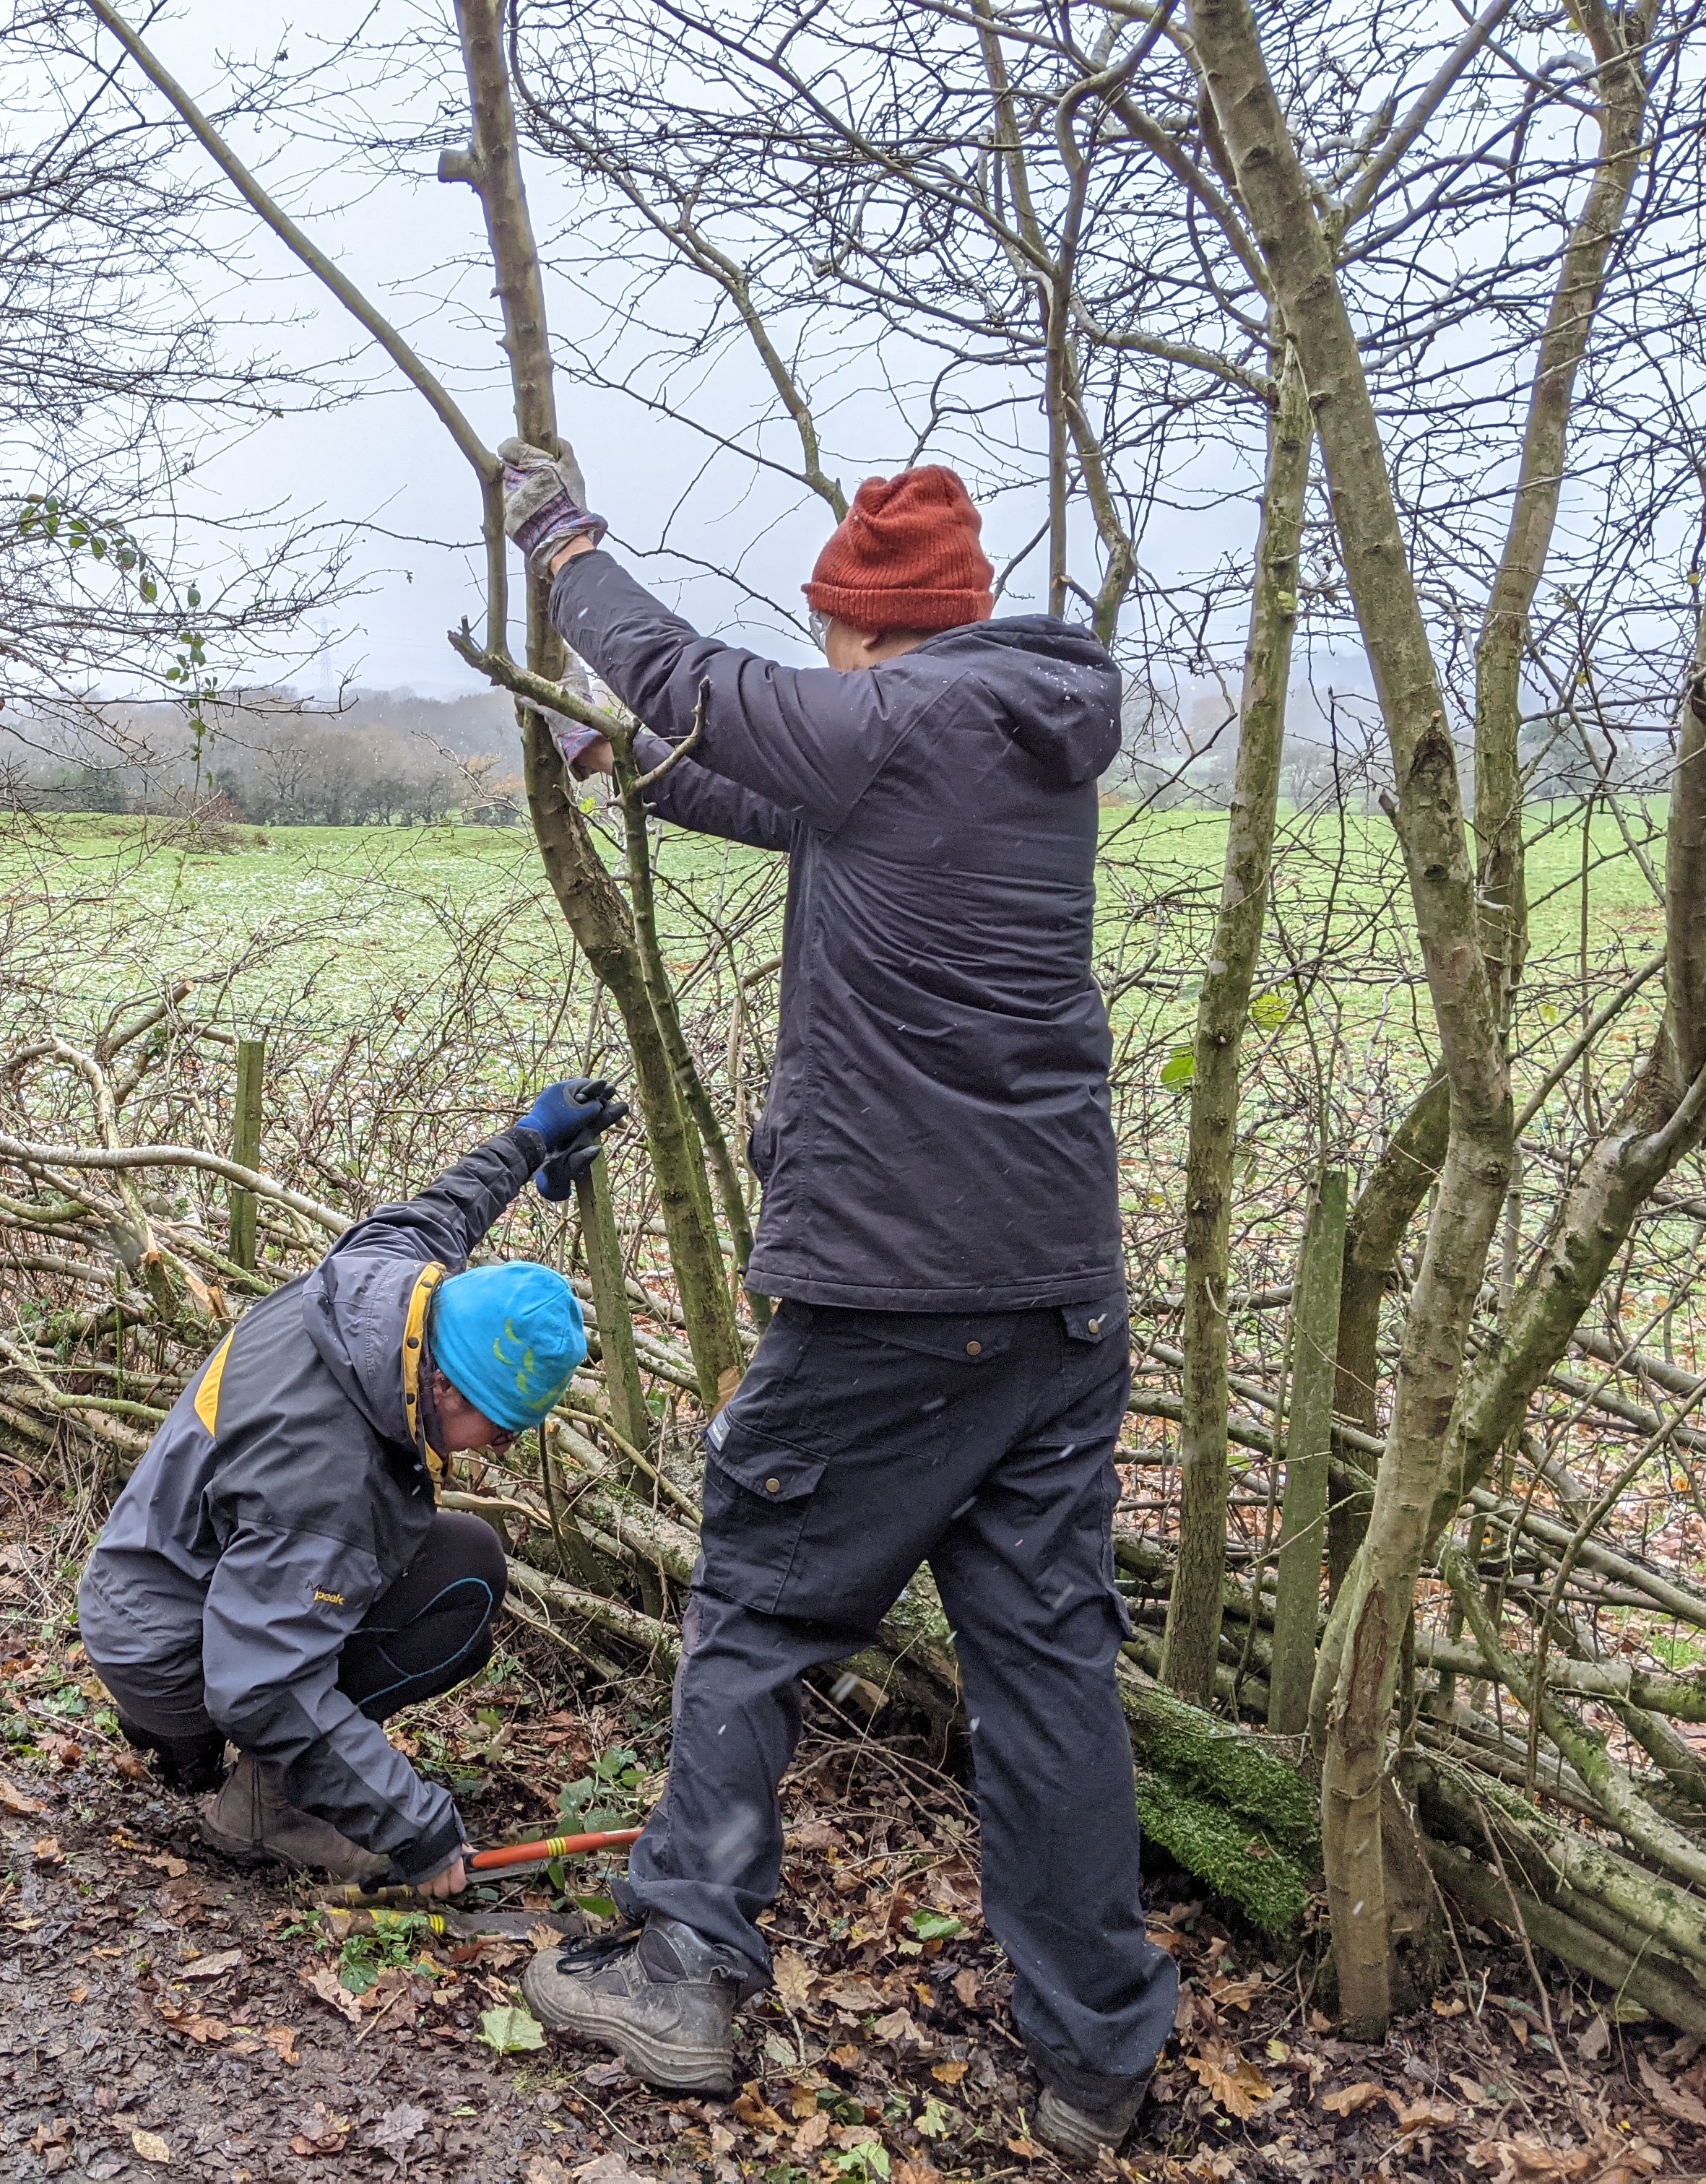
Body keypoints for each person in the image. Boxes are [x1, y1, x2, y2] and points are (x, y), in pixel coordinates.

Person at [499, 441, 1177, 2164]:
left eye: (830, 633)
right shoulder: (1005, 736)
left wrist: (565, 547)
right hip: (1053, 1297)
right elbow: (779, 795)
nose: (821, 658)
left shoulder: (901, 716)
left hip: (898, 1293)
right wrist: (619, 762)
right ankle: (1097, 2051)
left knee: (757, 1603)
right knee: (1047, 1674)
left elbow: (687, 675)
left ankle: (685, 1968)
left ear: (872, 632)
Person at [77, 1080, 623, 1894]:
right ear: (448, 1388)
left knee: (456, 1553)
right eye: (502, 1430)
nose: (500, 1452)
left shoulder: (382, 1287)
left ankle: (199, 1744)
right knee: (463, 1583)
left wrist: (534, 1139)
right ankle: (264, 1807)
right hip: (166, 1648)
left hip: (155, 1574)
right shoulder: (329, 1477)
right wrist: (417, 1830)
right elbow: (261, 1684)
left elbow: (445, 1210)